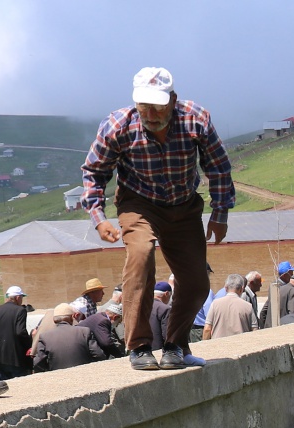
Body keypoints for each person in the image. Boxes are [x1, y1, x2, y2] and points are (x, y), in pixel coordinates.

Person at [82, 65, 233, 372]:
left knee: (196, 281)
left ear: (173, 100)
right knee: (140, 255)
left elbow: (217, 166)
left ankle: (176, 345)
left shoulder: (196, 119)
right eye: (144, 107)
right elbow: (94, 173)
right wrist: (99, 217)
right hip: (138, 203)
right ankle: (138, 345)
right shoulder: (117, 126)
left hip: (183, 204)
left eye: (158, 106)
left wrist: (220, 212)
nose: (150, 114)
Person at [0, 286, 33, 379]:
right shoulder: (20, 310)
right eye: (21, 298)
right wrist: (30, 344)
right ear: (18, 297)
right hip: (15, 358)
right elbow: (20, 332)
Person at [33, 303, 107, 372]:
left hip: (59, 379)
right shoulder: (84, 331)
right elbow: (99, 355)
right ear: (72, 317)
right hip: (83, 376)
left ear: (54, 320)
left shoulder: (45, 337)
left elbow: (38, 363)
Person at [204, 274, 256, 339]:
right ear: (241, 289)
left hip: (218, 346)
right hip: (241, 345)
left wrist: (205, 345)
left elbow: (207, 329)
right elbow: (254, 330)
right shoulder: (248, 306)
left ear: (225, 288)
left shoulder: (215, 304)